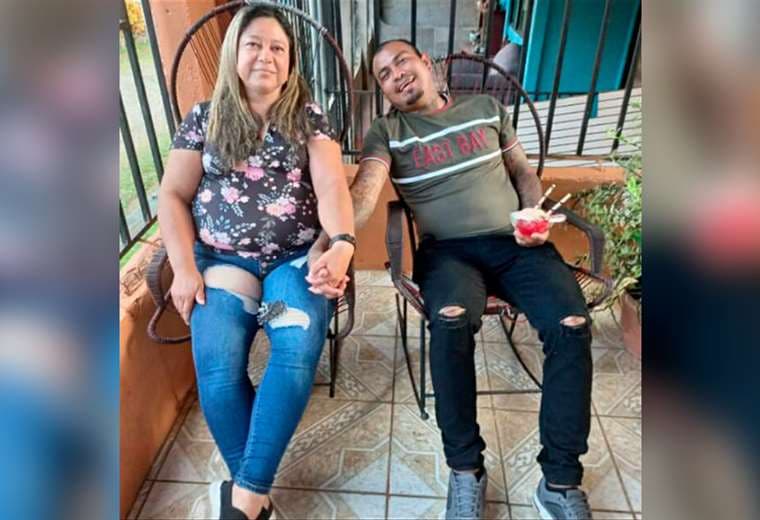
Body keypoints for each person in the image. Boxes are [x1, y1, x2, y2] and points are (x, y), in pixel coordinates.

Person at [310, 39, 594, 520]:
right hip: (448, 254)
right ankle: (466, 471)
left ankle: (560, 482)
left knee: (572, 325)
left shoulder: (485, 109)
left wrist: (532, 211)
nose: (395, 75)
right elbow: (365, 192)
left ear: (426, 63)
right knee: (450, 321)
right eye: (383, 75)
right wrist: (333, 241)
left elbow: (523, 172)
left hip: (515, 243)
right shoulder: (387, 131)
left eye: (402, 61)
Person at [157, 6, 355, 519]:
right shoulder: (203, 118)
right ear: (234, 54)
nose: (265, 55)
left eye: (277, 48)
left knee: (294, 345)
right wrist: (184, 268)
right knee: (218, 368)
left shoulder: (307, 115)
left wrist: (342, 242)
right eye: (253, 44)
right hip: (223, 263)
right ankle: (255, 494)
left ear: (289, 64)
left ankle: (244, 500)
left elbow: (331, 186)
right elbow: (172, 195)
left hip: (296, 259)